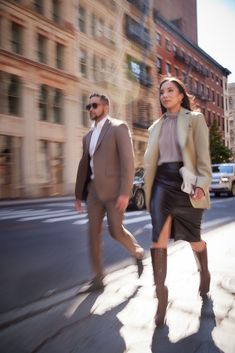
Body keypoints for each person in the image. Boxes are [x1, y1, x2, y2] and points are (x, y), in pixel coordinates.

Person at [144, 77, 212, 327]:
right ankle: (161, 297)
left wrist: (201, 186)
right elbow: (151, 162)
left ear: (181, 95)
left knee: (194, 240)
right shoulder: (155, 126)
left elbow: (203, 159)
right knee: (158, 239)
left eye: (170, 90)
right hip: (162, 183)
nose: (165, 95)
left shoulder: (194, 120)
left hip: (187, 183)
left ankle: (204, 270)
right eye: (162, 92)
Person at [75, 93, 144, 292]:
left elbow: (128, 161)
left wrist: (125, 192)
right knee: (92, 234)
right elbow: (83, 166)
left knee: (115, 230)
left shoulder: (118, 127)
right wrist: (79, 195)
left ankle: (137, 252)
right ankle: (98, 278)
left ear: (105, 106)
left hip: (114, 191)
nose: (91, 109)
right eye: (88, 106)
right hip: (93, 192)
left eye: (94, 105)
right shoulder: (87, 136)